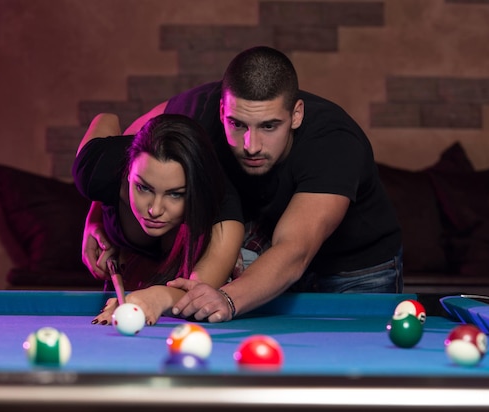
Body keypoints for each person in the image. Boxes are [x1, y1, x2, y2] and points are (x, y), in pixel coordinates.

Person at [81, 45, 403, 323]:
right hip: (263, 262)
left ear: (296, 115)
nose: (250, 144)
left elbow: (294, 250)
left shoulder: (334, 143)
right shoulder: (198, 112)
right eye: (237, 123)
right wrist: (98, 216)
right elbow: (130, 155)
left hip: (354, 270)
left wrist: (228, 299)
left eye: (269, 126)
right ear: (222, 110)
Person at [72, 113, 244, 326]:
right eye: (143, 188)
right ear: (127, 172)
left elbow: (198, 292)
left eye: (175, 194)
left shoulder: (222, 209)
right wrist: (94, 220)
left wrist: (155, 297)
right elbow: (107, 118)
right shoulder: (98, 169)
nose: (154, 210)